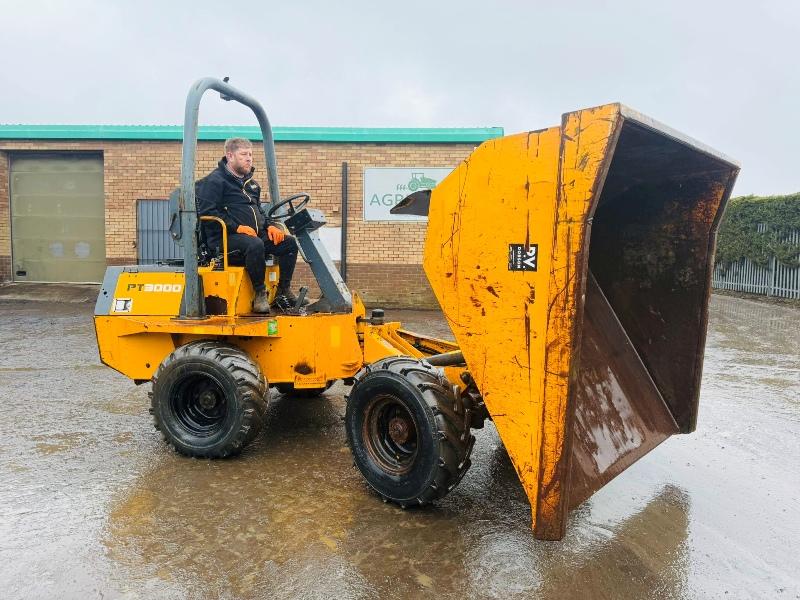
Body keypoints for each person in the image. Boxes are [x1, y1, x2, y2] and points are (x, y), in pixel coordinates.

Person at [196, 137, 303, 313]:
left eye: (251, 154)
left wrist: (269, 226)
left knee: (289, 243)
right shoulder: (214, 181)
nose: (249, 158)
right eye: (243, 154)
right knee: (255, 244)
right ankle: (260, 293)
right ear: (230, 156)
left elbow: (258, 210)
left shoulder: (251, 185)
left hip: (252, 236)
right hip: (224, 239)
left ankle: (283, 291)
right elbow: (208, 213)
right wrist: (236, 228)